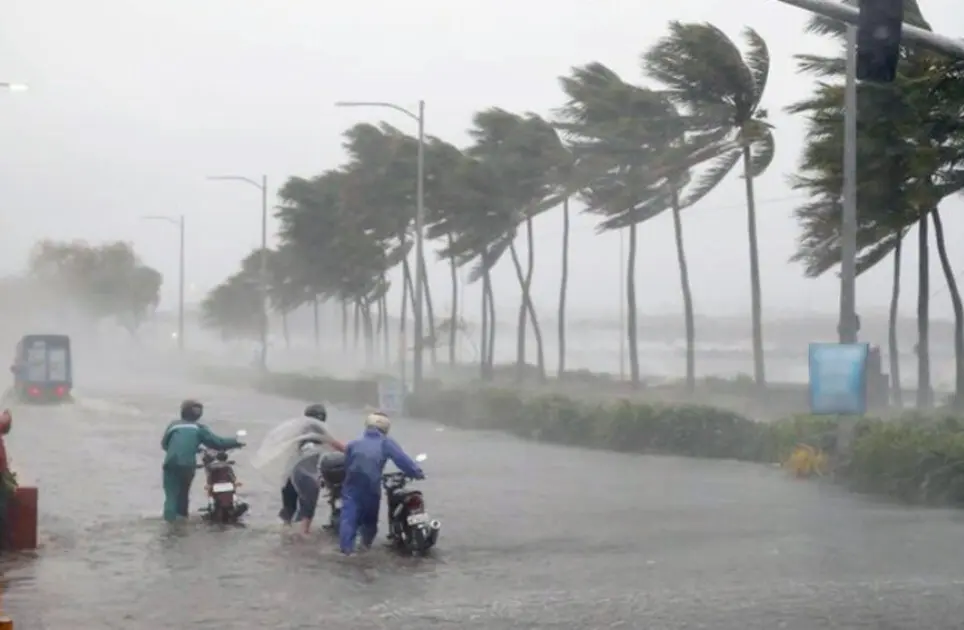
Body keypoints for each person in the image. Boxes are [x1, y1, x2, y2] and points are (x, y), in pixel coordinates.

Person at [338, 411, 424, 555]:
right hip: (371, 487)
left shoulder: (353, 444)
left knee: (348, 519)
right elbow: (402, 461)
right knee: (370, 521)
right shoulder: (386, 443)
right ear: (385, 427)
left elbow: (346, 465)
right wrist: (417, 473)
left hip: (351, 486)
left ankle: (347, 552)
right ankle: (365, 549)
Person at [160, 399, 244, 523]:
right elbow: (217, 443)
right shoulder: (198, 428)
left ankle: (169, 523)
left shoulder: (173, 425)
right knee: (183, 495)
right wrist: (236, 442)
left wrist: (188, 449)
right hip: (188, 465)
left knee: (171, 496)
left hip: (171, 463)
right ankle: (181, 521)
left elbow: (164, 444)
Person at [278, 403, 346, 530]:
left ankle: (286, 534)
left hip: (290, 473)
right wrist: (353, 452)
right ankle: (303, 537)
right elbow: (337, 445)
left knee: (289, 508)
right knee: (307, 509)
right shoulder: (319, 430)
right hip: (306, 474)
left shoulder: (299, 430)